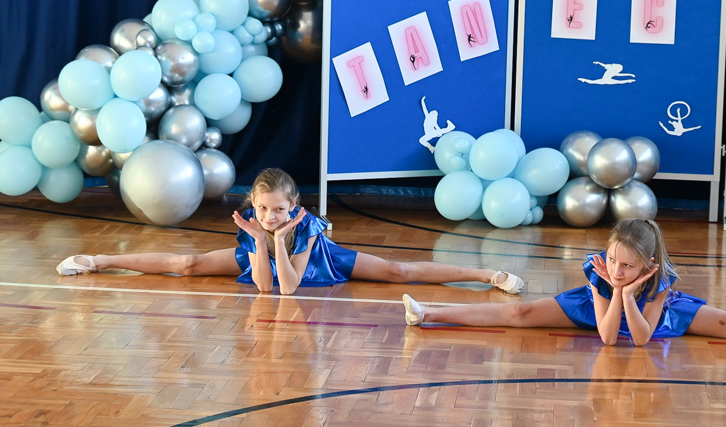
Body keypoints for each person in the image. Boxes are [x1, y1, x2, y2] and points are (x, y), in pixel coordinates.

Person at [56, 168, 525, 296]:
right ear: (254, 205)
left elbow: (288, 289)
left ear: (294, 207)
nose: (270, 214)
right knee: (188, 263)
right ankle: (98, 261)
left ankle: (488, 276)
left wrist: (279, 238)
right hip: (269, 256)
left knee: (399, 271)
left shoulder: (301, 227)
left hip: (315, 260)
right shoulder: (257, 224)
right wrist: (260, 239)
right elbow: (263, 286)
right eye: (263, 208)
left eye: (279, 209)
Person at [403, 218, 726, 349]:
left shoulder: (662, 280)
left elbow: (640, 341)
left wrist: (630, 293)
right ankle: (429, 314)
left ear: (649, 262)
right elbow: (607, 337)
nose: (618, 268)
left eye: (627, 265)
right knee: (520, 312)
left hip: (652, 315)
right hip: (597, 307)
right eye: (614, 261)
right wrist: (614, 289)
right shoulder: (602, 272)